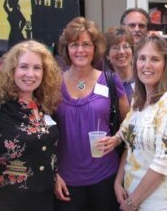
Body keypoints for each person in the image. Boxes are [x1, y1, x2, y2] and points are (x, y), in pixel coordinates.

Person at [0, 40, 62, 211]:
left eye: (37, 68)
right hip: (5, 202)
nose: (30, 74)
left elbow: (44, 147)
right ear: (12, 70)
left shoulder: (42, 103)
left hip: (43, 198)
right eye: (23, 66)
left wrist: (55, 175)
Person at [101, 35, 167, 210]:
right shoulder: (139, 98)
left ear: (166, 65)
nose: (147, 65)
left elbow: (163, 164)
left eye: (155, 59)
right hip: (134, 197)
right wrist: (118, 183)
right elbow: (129, 143)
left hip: (164, 204)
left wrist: (130, 203)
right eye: (142, 58)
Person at [54, 17, 130, 211]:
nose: (80, 50)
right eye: (74, 44)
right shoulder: (53, 84)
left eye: (86, 44)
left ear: (95, 48)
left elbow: (129, 124)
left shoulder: (110, 81)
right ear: (66, 48)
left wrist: (116, 140)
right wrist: (54, 174)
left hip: (105, 176)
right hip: (66, 180)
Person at [104, 26, 135, 103]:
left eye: (126, 47)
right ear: (107, 55)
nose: (121, 52)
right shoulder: (104, 83)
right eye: (115, 48)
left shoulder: (143, 79)